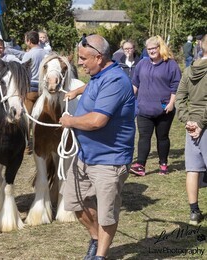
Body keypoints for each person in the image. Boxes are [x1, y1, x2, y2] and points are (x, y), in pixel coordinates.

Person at [59, 34, 135, 260]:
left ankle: (100, 255)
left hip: (109, 160)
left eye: (83, 58)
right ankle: (96, 237)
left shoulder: (116, 81)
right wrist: (77, 91)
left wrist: (69, 121)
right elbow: (93, 85)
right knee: (74, 202)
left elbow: (96, 121)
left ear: (99, 57)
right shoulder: (98, 74)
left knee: (107, 214)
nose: (80, 63)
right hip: (84, 155)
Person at [130, 35, 181, 176]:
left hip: (164, 109)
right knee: (144, 137)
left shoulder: (170, 65)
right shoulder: (142, 64)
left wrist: (171, 103)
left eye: (154, 48)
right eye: (149, 49)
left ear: (160, 48)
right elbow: (135, 83)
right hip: (144, 109)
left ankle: (163, 163)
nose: (151, 51)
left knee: (162, 137)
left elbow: (176, 86)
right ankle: (140, 165)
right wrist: (127, 100)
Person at [175, 34, 207, 226]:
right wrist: (201, 123)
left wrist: (188, 121)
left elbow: (180, 99)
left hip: (192, 126)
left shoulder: (188, 70)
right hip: (202, 125)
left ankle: (194, 212)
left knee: (193, 169)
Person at [21, 30, 47, 154]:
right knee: (41, 117)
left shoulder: (28, 55)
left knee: (28, 118)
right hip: (43, 89)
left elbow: (22, 72)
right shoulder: (46, 53)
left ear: (29, 41)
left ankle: (26, 146)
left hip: (30, 89)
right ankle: (41, 143)